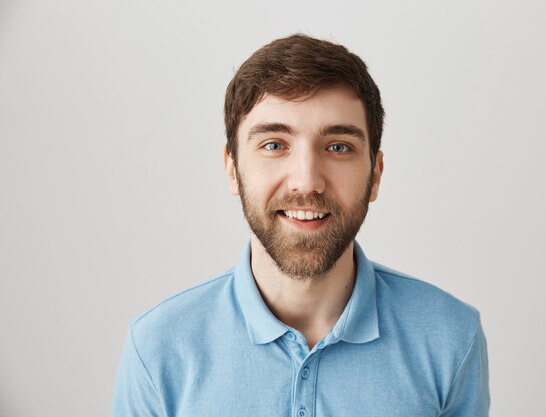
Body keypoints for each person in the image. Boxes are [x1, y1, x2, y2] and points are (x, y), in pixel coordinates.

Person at [112, 34, 490, 417]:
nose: (307, 181)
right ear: (232, 168)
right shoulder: (157, 350)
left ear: (375, 175)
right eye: (275, 145)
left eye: (338, 146)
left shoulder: (451, 339)